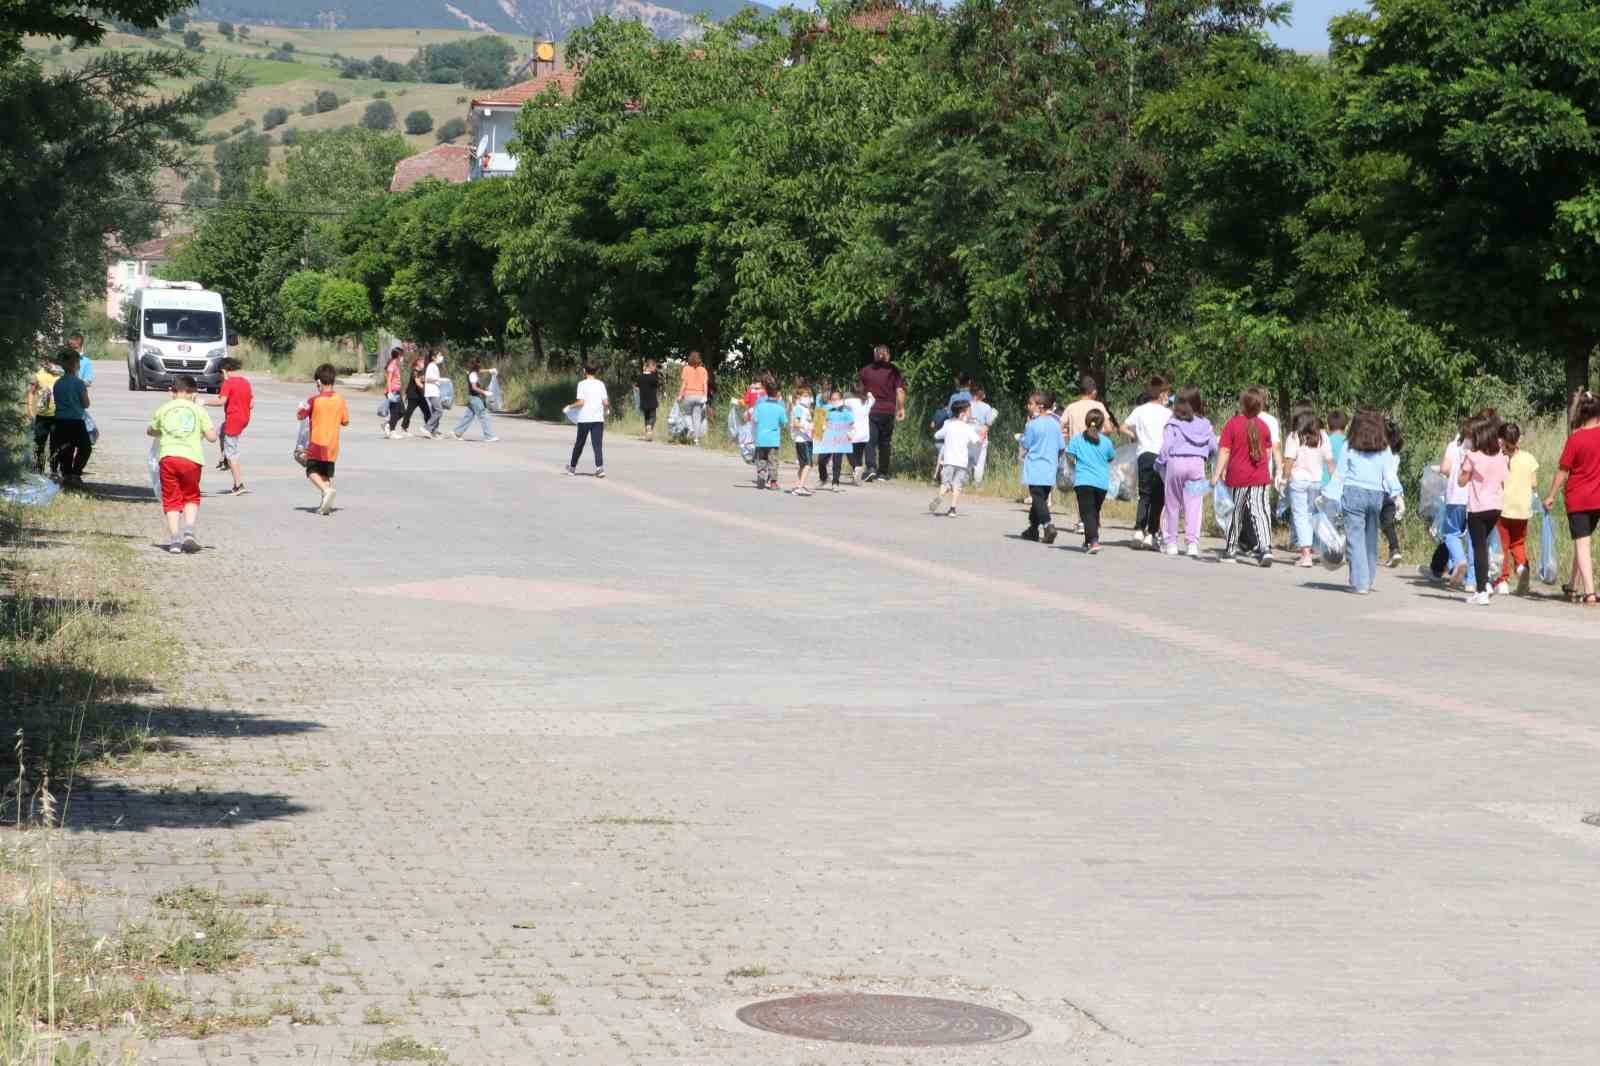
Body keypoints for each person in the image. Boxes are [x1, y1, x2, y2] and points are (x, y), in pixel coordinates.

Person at [1334, 409, 1405, 594]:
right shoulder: (1384, 448)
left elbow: (1340, 474)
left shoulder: (1348, 445)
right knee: (1370, 536)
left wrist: (1329, 496)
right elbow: (1389, 475)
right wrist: (1398, 495)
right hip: (1376, 495)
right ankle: (1368, 577)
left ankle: (1360, 581)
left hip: (1353, 493)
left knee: (1355, 538)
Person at [146, 375, 218, 553]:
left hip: (168, 458)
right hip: (192, 460)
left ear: (173, 391)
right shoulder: (198, 410)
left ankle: (175, 541)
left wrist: (161, 431)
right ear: (192, 393)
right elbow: (212, 437)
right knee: (191, 496)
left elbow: (150, 430)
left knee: (171, 500)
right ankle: (189, 532)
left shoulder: (164, 409)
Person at [1545, 391, 1600, 605]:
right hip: (1598, 499)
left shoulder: (1576, 438)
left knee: (1582, 543)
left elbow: (1562, 471)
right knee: (1582, 542)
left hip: (1578, 499)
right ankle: (1572, 585)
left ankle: (1590, 592)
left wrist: (1550, 495)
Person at [1213, 390, 1273, 566]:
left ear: (1242, 405)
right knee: (1260, 512)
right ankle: (1265, 549)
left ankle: (1231, 550)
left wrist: (1217, 474)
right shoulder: (1264, 426)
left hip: (1237, 476)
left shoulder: (1233, 424)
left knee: (1235, 513)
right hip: (1260, 477)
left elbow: (1224, 450)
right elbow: (1267, 452)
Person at [1457, 416, 1509, 606]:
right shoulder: (1501, 457)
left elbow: (1461, 482)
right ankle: (1485, 583)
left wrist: (1465, 468)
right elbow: (1504, 478)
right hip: (1496, 507)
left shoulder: (1473, 456)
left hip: (1478, 508)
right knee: (1485, 545)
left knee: (1478, 548)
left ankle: (1481, 590)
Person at [1157, 385, 1215, 558]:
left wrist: (1159, 463)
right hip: (1197, 465)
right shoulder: (1206, 424)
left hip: (1176, 463)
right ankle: (1192, 544)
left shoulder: (1173, 422)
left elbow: (1166, 447)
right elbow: (1213, 447)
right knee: (1194, 505)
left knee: (1172, 504)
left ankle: (1171, 543)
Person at [1121, 375, 1172, 549]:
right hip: (1162, 456)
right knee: (1159, 496)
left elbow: (1123, 426)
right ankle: (1151, 533)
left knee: (1144, 493)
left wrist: (1135, 436)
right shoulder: (1168, 413)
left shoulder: (1140, 410)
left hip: (1144, 454)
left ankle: (1138, 530)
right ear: (1162, 394)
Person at [297, 363, 349, 516]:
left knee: (311, 471)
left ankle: (327, 490)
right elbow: (345, 421)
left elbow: (301, 415)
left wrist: (300, 408)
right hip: (333, 445)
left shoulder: (314, 400)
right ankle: (325, 503)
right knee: (325, 474)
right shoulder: (340, 400)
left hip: (318, 442)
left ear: (319, 382)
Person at [1284, 410, 1333, 567]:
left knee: (1300, 515)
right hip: (1316, 481)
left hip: (1298, 480)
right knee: (1313, 515)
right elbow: (1330, 461)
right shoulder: (1322, 436)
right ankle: (1316, 549)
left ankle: (1305, 554)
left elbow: (1289, 460)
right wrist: (1334, 481)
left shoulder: (1294, 436)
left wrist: (1285, 477)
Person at [1496, 422, 1539, 595]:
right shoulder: (1528, 458)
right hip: (1523, 510)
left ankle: (1503, 581)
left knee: (1502, 546)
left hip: (1503, 509)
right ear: (1518, 438)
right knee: (1518, 543)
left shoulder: (1501, 458)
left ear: (1501, 439)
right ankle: (1522, 568)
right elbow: (1534, 483)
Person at [1066, 409, 1118, 553]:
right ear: (1102, 425)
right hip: (1101, 483)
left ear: (1087, 422)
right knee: (1093, 513)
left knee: (1087, 514)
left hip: (1084, 482)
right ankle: (1088, 541)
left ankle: (1094, 541)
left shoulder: (1077, 439)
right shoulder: (1106, 441)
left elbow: (1070, 457)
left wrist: (1073, 465)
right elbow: (1111, 457)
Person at [202, 357, 253, 495]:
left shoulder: (228, 383)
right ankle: (224, 458)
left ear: (224, 371)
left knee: (232, 453)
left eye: (220, 373)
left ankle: (238, 484)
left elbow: (221, 401)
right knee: (221, 431)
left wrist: (203, 402)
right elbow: (251, 403)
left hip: (233, 420)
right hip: (244, 418)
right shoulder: (246, 382)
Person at [857, 344, 906, 481]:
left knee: (870, 441)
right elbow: (900, 391)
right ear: (887, 354)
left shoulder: (866, 371)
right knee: (885, 442)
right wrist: (901, 408)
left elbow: (859, 390)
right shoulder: (893, 371)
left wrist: (860, 404)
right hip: (888, 411)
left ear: (875, 354)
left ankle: (871, 467)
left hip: (871, 410)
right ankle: (883, 473)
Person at [1020, 392, 1065, 543]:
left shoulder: (1033, 424)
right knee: (1040, 499)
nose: (1029, 407)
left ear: (1039, 406)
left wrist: (1021, 436)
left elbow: (1026, 444)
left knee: (1038, 498)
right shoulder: (1056, 424)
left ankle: (1048, 525)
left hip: (1035, 466)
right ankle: (1033, 529)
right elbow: (1061, 447)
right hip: (1050, 466)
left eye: (1031, 404)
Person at [1437, 417, 1475, 588]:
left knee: (1451, 533)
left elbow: (1445, 469)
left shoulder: (1454, 445)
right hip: (1474, 498)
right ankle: (1472, 581)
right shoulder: (1478, 447)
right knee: (1474, 538)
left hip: (1455, 497)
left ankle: (1459, 560)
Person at [49, 350, 92, 487]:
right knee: (85, 447)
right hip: (75, 421)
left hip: (60, 421)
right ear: (76, 365)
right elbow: (86, 403)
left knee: (66, 449)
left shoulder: (58, 383)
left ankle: (66, 474)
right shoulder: (79, 383)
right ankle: (76, 473)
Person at [929, 400, 978, 517]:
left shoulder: (949, 425)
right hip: (962, 462)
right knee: (957, 486)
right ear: (962, 413)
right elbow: (976, 441)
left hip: (949, 461)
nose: (970, 413)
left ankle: (939, 497)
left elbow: (936, 435)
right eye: (969, 411)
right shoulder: (967, 428)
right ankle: (952, 509)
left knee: (945, 484)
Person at [564, 362, 609, 476]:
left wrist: (570, 407)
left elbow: (581, 402)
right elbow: (605, 402)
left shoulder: (582, 384)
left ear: (584, 371)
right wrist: (605, 410)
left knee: (579, 443)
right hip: (598, 418)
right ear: (596, 371)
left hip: (585, 418)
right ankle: (600, 468)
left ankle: (572, 468)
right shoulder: (600, 384)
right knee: (597, 444)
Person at [751, 374, 787, 491]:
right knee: (773, 461)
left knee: (761, 458)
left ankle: (761, 473)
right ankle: (773, 483)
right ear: (777, 394)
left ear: (766, 392)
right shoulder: (780, 408)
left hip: (761, 438)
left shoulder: (760, 406)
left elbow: (755, 419)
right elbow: (784, 423)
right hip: (773, 439)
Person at [1378, 420, 1405, 567]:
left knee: (1368, 522)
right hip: (1391, 494)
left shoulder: (1379, 451)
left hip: (1378, 491)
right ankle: (1394, 549)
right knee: (1387, 524)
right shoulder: (1396, 454)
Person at [450, 360, 498, 441]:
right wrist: (484, 392)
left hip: (472, 397)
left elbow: (480, 371)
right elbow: (474, 387)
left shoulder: (471, 372)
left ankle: (457, 432)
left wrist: (490, 370)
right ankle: (488, 436)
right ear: (475, 366)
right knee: (483, 415)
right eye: (478, 365)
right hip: (475, 398)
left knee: (468, 416)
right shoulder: (473, 375)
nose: (480, 366)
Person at [26, 355, 57, 475]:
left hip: (57, 415)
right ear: (44, 362)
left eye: (52, 361)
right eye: (47, 361)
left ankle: (54, 470)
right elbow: (31, 392)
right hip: (42, 415)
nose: (49, 363)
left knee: (55, 444)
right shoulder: (38, 375)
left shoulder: (60, 375)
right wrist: (29, 408)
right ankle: (38, 470)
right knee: (39, 443)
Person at [816, 389, 853, 491]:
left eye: (836, 399)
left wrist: (850, 433)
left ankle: (835, 482)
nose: (834, 401)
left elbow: (852, 424)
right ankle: (823, 478)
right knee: (821, 460)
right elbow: (818, 423)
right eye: (832, 399)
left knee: (837, 461)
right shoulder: (825, 409)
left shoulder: (846, 411)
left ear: (841, 400)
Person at [843, 381, 874, 485]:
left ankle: (856, 469)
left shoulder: (850, 401)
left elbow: (841, 403)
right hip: (865, 434)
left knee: (849, 452)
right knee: (859, 454)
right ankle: (857, 476)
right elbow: (873, 399)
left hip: (853, 432)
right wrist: (869, 394)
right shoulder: (868, 401)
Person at [677, 350, 709, 445]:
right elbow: (705, 384)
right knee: (697, 418)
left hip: (688, 395)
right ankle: (696, 440)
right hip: (699, 396)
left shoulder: (686, 369)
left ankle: (690, 429)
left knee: (687, 414)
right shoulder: (703, 370)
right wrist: (705, 396)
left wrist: (680, 395)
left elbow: (684, 384)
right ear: (699, 359)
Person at [789, 379, 814, 497]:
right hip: (801, 440)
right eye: (805, 395)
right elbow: (795, 423)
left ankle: (799, 485)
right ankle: (800, 487)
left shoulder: (806, 409)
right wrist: (808, 426)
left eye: (809, 395)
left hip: (807, 439)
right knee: (808, 464)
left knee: (804, 465)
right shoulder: (799, 408)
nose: (808, 397)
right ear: (799, 396)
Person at [968, 386, 996, 483]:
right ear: (982, 395)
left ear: (973, 394)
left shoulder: (968, 405)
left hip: (969, 433)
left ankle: (965, 479)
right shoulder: (987, 407)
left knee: (968, 457)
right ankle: (977, 482)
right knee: (980, 460)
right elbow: (988, 422)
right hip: (981, 433)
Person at [400, 352, 431, 437]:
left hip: (420, 395)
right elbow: (418, 383)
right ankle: (404, 428)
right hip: (413, 395)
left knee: (427, 411)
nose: (423, 364)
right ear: (417, 362)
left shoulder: (420, 372)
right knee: (409, 412)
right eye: (422, 362)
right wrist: (427, 389)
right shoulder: (414, 371)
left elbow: (425, 380)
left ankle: (429, 429)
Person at [383, 348, 406, 439]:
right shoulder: (392, 365)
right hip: (392, 391)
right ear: (399, 355)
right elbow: (388, 379)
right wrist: (389, 392)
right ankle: (392, 431)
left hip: (397, 390)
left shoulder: (396, 365)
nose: (403, 357)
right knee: (395, 412)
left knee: (402, 412)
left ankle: (388, 424)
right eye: (402, 355)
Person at [636, 359, 660, 441]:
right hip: (652, 400)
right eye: (654, 367)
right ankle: (649, 427)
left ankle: (647, 434)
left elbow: (637, 386)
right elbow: (657, 384)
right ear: (651, 366)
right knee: (653, 416)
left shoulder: (640, 377)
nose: (655, 369)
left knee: (646, 417)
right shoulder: (653, 377)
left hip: (643, 400)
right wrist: (655, 373)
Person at [423, 352, 445, 437]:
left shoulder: (435, 366)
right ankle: (427, 427)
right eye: (439, 355)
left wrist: (439, 381)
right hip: (431, 392)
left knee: (435, 411)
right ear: (433, 357)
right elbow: (427, 379)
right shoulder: (431, 366)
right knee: (439, 410)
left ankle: (434, 431)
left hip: (435, 391)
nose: (441, 357)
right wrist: (440, 380)